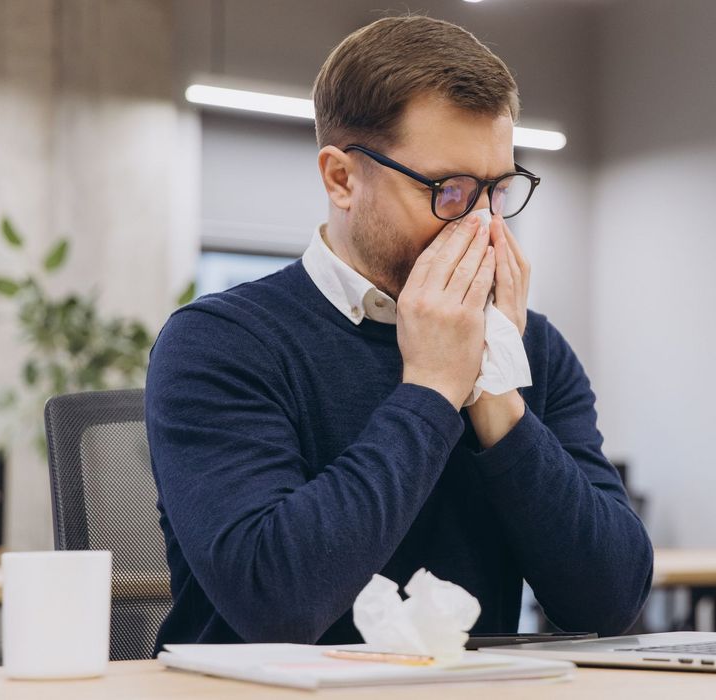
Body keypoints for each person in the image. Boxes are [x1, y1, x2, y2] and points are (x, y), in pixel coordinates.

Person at [145, 14, 653, 649]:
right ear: (342, 178)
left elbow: (609, 601)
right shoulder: (221, 343)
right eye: (450, 191)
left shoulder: (532, 347)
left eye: (498, 190)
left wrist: (492, 385)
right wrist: (434, 387)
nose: (483, 226)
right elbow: (278, 602)